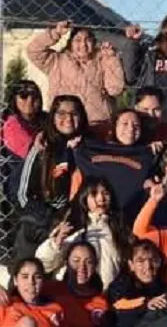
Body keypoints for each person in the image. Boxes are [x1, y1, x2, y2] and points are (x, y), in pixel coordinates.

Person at [13, 95, 87, 265]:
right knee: (29, 273)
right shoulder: (43, 147)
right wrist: (50, 221)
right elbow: (22, 195)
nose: (68, 119)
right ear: (52, 117)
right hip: (40, 221)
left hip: (76, 223)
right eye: (61, 113)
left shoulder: (89, 146)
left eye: (74, 113)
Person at [25, 20, 125, 126]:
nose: (83, 44)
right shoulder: (57, 61)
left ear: (94, 42)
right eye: (78, 40)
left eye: (87, 40)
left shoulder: (102, 60)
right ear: (70, 43)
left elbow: (115, 89)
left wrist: (111, 59)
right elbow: (34, 51)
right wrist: (56, 33)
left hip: (96, 122)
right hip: (64, 122)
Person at [36, 176, 128, 289]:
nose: (101, 198)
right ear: (84, 198)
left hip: (108, 296)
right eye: (94, 194)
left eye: (105, 193)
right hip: (73, 296)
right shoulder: (72, 227)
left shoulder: (118, 228)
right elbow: (43, 265)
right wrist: (56, 244)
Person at [70, 109, 158, 226]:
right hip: (92, 217)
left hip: (125, 222)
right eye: (125, 124)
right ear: (114, 126)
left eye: (136, 125)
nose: (131, 128)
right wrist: (75, 145)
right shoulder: (91, 148)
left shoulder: (147, 154)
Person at [2, 80, 45, 160]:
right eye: (23, 95)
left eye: (35, 96)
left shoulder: (46, 118)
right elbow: (31, 154)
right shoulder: (11, 124)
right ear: (14, 99)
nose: (30, 100)